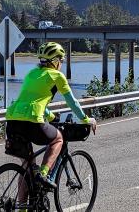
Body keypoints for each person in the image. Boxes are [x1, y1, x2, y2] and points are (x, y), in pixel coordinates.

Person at [5, 42, 97, 194]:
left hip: (12, 121)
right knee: (58, 139)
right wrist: (86, 119)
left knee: (27, 168)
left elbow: (32, 100)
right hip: (32, 121)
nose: (61, 63)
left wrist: (51, 115)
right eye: (60, 60)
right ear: (54, 61)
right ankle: (44, 173)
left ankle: (22, 209)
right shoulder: (57, 76)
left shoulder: (32, 74)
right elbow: (72, 101)